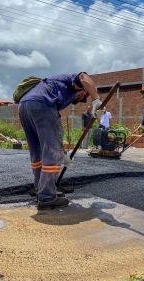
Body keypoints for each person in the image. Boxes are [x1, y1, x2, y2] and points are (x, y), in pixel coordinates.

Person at [18, 72, 102, 210]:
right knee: (52, 155)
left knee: (37, 152)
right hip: (42, 104)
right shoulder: (73, 81)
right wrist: (96, 99)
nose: (80, 98)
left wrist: (62, 152)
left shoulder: (53, 87)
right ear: (84, 90)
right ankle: (47, 196)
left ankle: (41, 191)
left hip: (24, 106)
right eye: (83, 96)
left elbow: (52, 135)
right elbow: (84, 76)